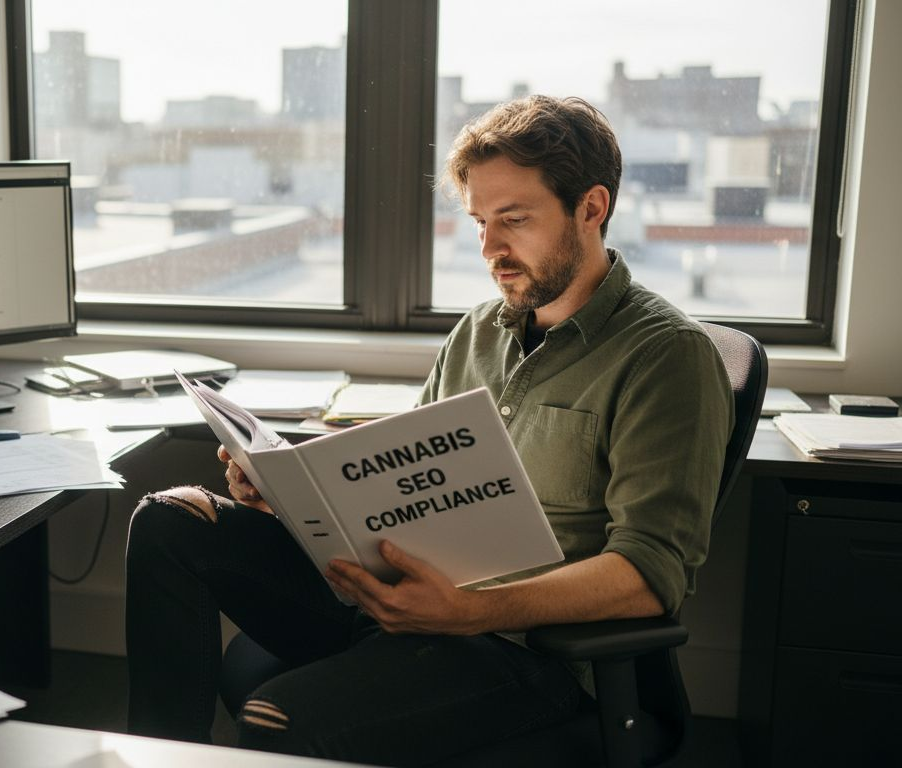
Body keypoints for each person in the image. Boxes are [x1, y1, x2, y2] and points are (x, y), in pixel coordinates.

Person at [124, 95, 734, 766]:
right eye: (478, 222)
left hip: (522, 653)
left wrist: (472, 612)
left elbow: (648, 577)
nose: (489, 249)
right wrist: (292, 493)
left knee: (277, 719)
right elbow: (406, 492)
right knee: (169, 520)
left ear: (592, 208)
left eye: (514, 220)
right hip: (402, 606)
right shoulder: (477, 332)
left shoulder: (666, 356)